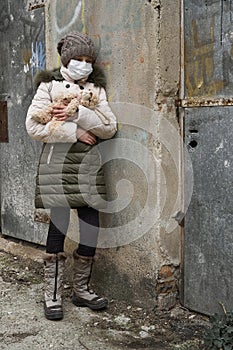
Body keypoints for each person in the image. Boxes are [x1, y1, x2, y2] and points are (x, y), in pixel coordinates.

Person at [25, 31, 117, 321]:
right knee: (59, 226)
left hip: (88, 166)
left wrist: (79, 116)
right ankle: (51, 295)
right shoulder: (48, 86)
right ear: (66, 59)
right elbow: (33, 126)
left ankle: (81, 290)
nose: (84, 64)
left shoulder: (96, 91)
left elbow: (109, 127)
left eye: (89, 60)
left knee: (91, 227)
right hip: (58, 166)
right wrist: (73, 131)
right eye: (79, 58)